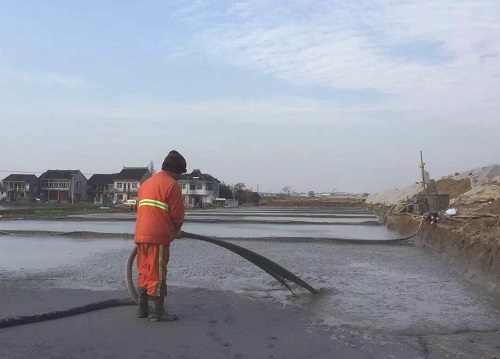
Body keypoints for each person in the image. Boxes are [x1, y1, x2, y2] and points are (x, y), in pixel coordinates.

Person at [134, 150, 187, 322]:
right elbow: (177, 214)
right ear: (176, 171)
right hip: (158, 235)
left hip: (142, 234)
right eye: (180, 173)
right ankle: (157, 312)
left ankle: (142, 308)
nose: (180, 177)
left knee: (145, 270)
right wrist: (177, 230)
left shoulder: (147, 184)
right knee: (157, 272)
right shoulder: (171, 185)